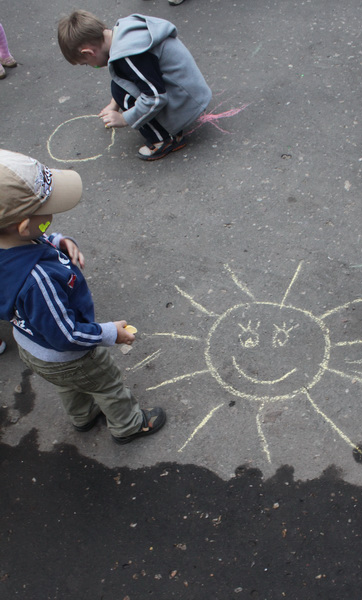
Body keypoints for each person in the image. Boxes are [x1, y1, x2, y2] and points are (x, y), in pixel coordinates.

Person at [0, 149, 166, 444]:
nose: (51, 216)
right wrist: (108, 333)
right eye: (47, 212)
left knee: (70, 386)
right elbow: (66, 335)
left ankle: (83, 417)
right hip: (69, 355)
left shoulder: (10, 244)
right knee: (107, 384)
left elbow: (31, 240)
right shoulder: (39, 280)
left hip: (33, 347)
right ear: (25, 225)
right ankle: (128, 425)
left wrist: (57, 241)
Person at [57, 10, 211, 160]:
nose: (91, 66)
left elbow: (155, 98)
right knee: (118, 88)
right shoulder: (124, 32)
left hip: (185, 101)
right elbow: (129, 77)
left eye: (86, 64)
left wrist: (124, 118)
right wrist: (113, 105)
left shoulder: (130, 57)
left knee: (122, 93)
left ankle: (165, 140)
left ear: (89, 53)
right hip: (191, 90)